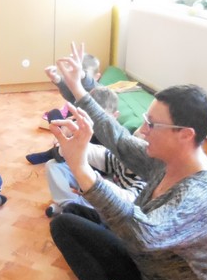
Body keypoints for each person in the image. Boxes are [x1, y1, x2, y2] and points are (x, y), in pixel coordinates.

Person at [47, 43, 207, 280]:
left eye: (152, 124)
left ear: (185, 135)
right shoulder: (165, 159)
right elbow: (118, 139)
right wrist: (77, 88)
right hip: (148, 275)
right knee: (65, 222)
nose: (143, 130)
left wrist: (81, 169)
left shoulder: (203, 196)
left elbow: (143, 234)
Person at [44, 87, 145, 219]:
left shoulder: (145, 180)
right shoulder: (123, 155)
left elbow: (127, 201)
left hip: (111, 198)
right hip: (94, 177)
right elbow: (99, 154)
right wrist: (65, 144)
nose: (96, 123)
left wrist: (94, 179)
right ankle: (69, 204)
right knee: (53, 165)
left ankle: (76, 209)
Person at [26, 54, 101, 165]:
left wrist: (71, 125)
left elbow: (89, 85)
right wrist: (56, 79)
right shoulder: (77, 89)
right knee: (54, 114)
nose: (77, 78)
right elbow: (69, 94)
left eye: (81, 75)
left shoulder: (98, 91)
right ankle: (61, 148)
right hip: (71, 129)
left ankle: (54, 153)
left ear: (96, 77)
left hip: (87, 135)